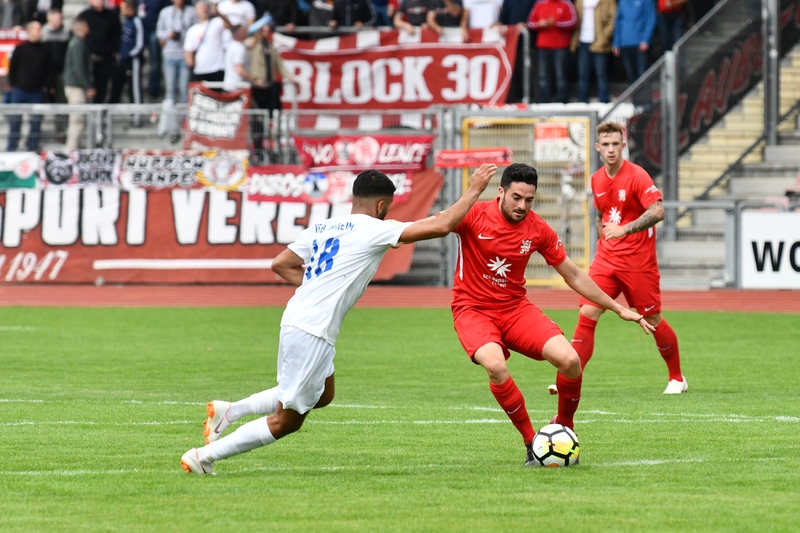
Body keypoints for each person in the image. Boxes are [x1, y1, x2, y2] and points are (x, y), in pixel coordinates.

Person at [180, 164, 499, 475]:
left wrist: (318, 285)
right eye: (387, 207)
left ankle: (230, 411)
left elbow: (282, 264)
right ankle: (203, 456)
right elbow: (441, 225)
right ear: (381, 204)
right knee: (286, 421)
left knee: (323, 393)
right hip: (312, 330)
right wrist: (474, 189)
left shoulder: (323, 227)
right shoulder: (375, 230)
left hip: (299, 320)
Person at [449, 162, 652, 466]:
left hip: (515, 309)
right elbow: (435, 226)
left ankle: (564, 429)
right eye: (516, 198)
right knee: (496, 365)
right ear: (501, 191)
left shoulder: (537, 228)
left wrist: (618, 307)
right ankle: (532, 442)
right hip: (473, 310)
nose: (522, 206)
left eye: (529, 200)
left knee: (570, 361)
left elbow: (572, 274)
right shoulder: (474, 214)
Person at [567, 121, 687, 395]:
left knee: (652, 317)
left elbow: (657, 211)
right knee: (587, 312)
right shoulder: (596, 179)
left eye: (615, 144)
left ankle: (677, 378)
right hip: (607, 258)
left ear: (624, 145)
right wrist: (604, 231)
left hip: (637, 261)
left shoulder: (637, 176)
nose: (611, 150)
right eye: (605, 145)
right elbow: (602, 213)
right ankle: (571, 378)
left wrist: (624, 229)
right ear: (598, 148)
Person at [249, 15, 293, 162]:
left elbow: (279, 65)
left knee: (274, 116)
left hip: (269, 86)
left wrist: (289, 77)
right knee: (258, 121)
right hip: (257, 87)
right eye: (263, 30)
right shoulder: (253, 46)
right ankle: (258, 148)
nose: (265, 33)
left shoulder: (271, 47)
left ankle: (273, 146)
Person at [6, 20, 50, 152]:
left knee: (36, 122)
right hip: (20, 90)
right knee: (15, 120)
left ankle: (32, 147)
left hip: (36, 91)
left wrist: (45, 86)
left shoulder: (44, 50)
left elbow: (48, 70)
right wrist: (14, 84)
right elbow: (12, 68)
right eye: (37, 29)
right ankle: (12, 147)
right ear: (29, 31)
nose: (40, 32)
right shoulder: (20, 49)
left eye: (40, 29)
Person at [156, 0, 196, 141]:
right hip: (169, 55)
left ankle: (183, 121)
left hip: (184, 54)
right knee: (170, 89)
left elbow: (195, 31)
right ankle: (171, 124)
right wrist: (169, 35)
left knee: (183, 89)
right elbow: (159, 32)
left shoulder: (191, 12)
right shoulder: (165, 12)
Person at [527, 0, 576, 103]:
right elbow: (530, 23)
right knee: (543, 75)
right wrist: (540, 24)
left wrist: (556, 23)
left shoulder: (566, 3)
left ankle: (562, 101)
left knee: (560, 75)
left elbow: (573, 21)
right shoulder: (539, 3)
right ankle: (545, 100)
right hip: (543, 46)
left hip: (560, 46)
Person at [571, 0, 615, 103]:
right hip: (582, 41)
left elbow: (613, 19)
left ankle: (604, 101)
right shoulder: (579, 1)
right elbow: (574, 17)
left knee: (601, 74)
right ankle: (582, 101)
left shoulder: (608, 1)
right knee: (583, 74)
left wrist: (604, 37)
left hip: (599, 42)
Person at [110, 0, 145, 125]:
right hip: (122, 60)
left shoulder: (137, 21)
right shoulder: (125, 22)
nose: (122, 11)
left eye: (124, 8)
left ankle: (137, 117)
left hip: (132, 61)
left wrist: (129, 55)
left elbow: (140, 44)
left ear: (131, 9)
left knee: (134, 88)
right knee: (117, 85)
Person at [79, 0, 121, 103]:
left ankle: (98, 112)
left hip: (105, 58)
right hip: (88, 58)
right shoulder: (84, 15)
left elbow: (117, 35)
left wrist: (114, 50)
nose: (100, 2)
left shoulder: (112, 16)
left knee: (102, 87)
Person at [63, 17, 95, 150]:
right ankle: (71, 150)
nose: (89, 28)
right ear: (81, 28)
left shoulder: (75, 42)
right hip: (76, 86)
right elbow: (79, 68)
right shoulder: (78, 44)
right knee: (77, 120)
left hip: (73, 85)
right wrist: (88, 86)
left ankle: (75, 147)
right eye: (86, 26)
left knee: (78, 119)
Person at [497, 0, 536, 103]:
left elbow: (537, 15)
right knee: (511, 67)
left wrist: (528, 25)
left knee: (528, 68)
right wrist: (500, 25)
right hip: (511, 40)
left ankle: (529, 97)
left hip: (529, 39)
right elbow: (503, 15)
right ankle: (511, 98)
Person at [42, 8, 70, 143]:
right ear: (50, 19)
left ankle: (61, 131)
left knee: (61, 104)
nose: (61, 21)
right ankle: (34, 135)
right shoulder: (42, 34)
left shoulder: (65, 34)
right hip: (44, 75)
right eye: (59, 18)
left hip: (60, 75)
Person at [184, 1, 229, 84]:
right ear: (196, 11)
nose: (204, 9)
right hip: (200, 69)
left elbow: (229, 25)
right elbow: (188, 51)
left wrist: (219, 14)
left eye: (206, 7)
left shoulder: (216, 22)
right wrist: (189, 60)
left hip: (217, 68)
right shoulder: (192, 30)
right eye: (201, 7)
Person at [613, 0, 655, 84]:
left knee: (642, 74)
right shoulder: (622, 2)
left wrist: (646, 39)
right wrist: (616, 43)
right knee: (630, 74)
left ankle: (644, 97)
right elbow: (618, 22)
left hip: (640, 43)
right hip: (625, 43)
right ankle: (635, 97)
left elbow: (651, 19)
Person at [137, 0, 171, 99]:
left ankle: (153, 88)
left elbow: (165, 13)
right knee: (137, 59)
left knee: (155, 60)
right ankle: (136, 86)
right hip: (139, 29)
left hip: (154, 29)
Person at [222, 23, 252, 91]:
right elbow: (239, 70)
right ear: (239, 33)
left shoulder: (232, 45)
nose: (246, 31)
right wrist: (254, 79)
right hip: (237, 88)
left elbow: (250, 44)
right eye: (244, 30)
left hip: (228, 87)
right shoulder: (239, 48)